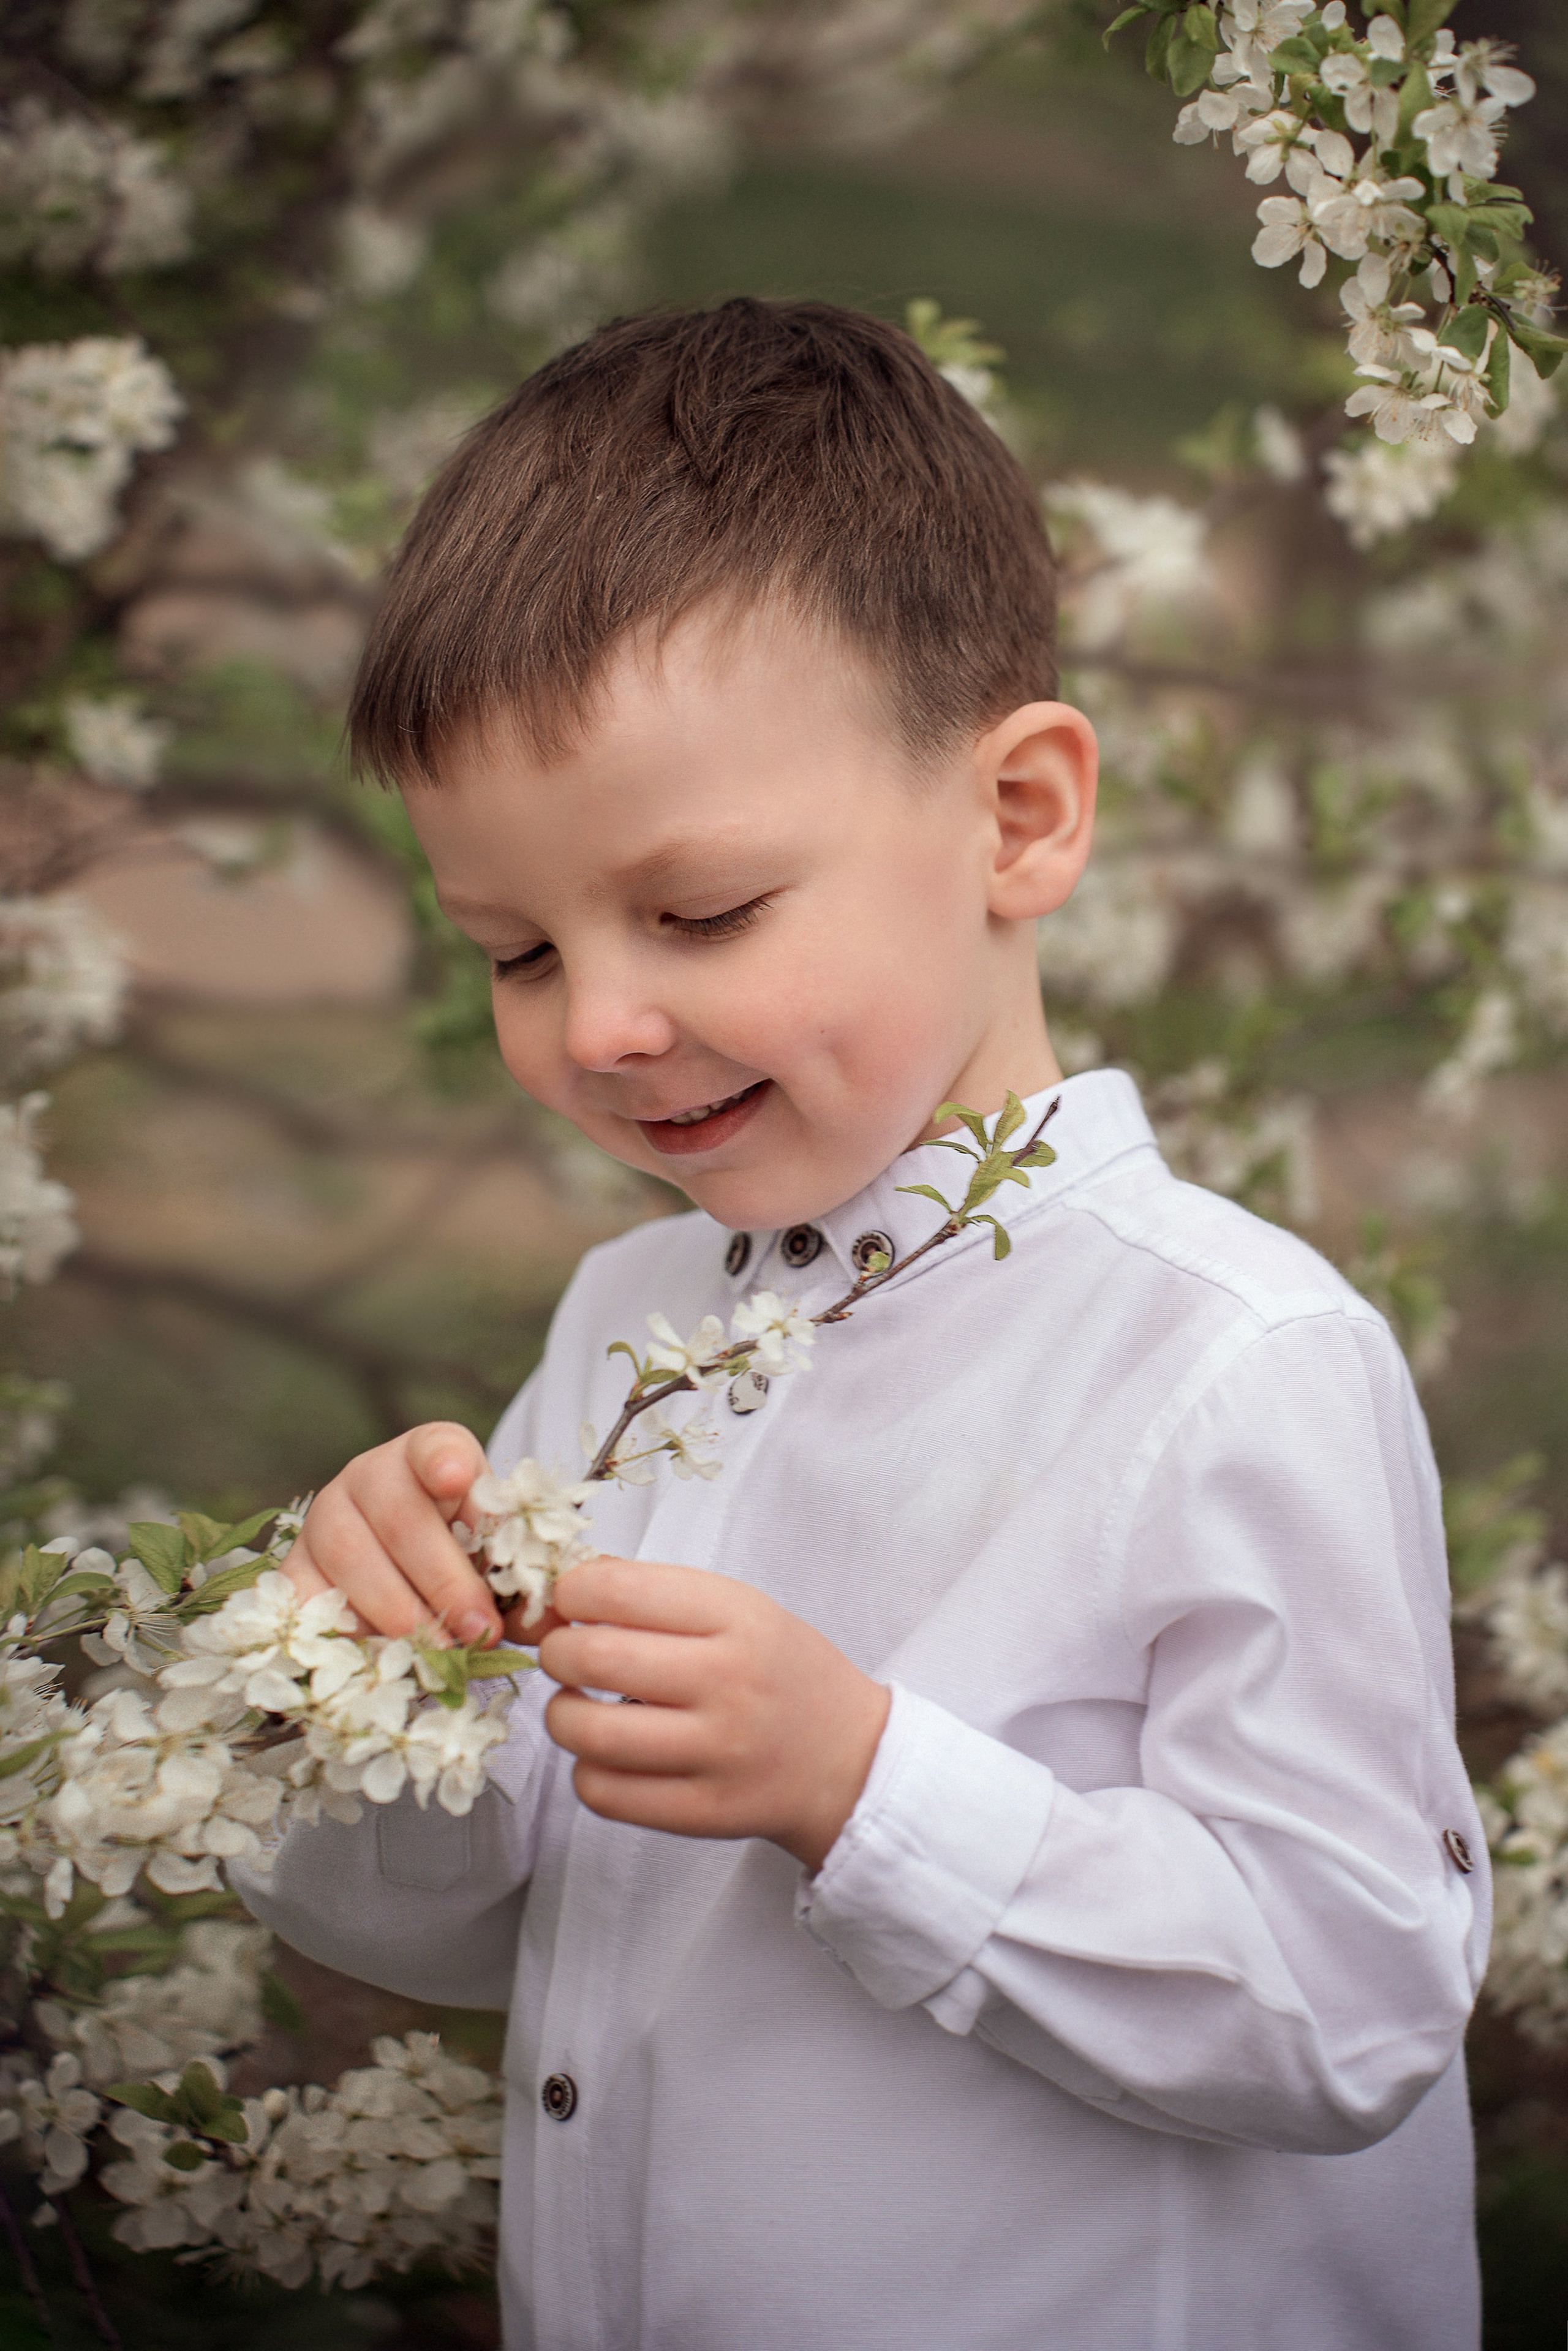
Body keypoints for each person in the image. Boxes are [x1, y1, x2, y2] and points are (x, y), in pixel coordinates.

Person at [231, 298, 1488, 2350]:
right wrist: (377, 1694)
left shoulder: (1232, 1360)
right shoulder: (625, 1319)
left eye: (702, 913)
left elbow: (1347, 2008)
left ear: (1018, 823)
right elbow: (469, 1931)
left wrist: (864, 1785)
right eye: (517, 950)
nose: (605, 1022)